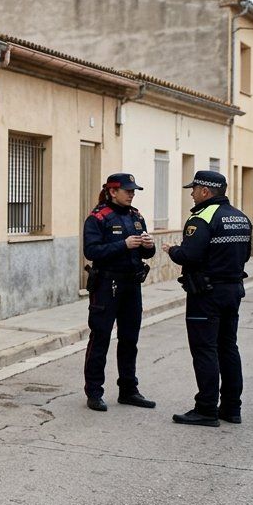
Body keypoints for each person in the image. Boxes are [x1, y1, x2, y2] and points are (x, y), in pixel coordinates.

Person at [165, 170, 252, 427]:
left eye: (194, 189)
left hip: (206, 294)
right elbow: (245, 254)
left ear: (205, 191)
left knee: (205, 350)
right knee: (228, 348)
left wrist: (173, 250)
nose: (191, 194)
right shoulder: (241, 217)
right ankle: (231, 408)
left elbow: (189, 256)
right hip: (233, 290)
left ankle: (206, 409)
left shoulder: (201, 218)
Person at [80, 173, 158, 411]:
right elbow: (92, 251)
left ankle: (128, 390)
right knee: (100, 338)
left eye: (134, 191)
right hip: (106, 285)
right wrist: (122, 245)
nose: (132, 194)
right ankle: (94, 391)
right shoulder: (98, 218)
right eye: (128, 190)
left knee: (129, 340)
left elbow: (146, 254)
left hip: (131, 285)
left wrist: (149, 246)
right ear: (113, 191)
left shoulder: (136, 217)